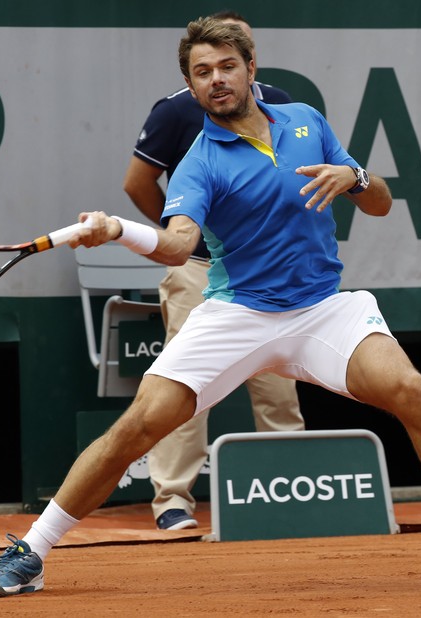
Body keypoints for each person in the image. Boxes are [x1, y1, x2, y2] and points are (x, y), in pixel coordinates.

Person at [0, 17, 421, 597]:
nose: (217, 80)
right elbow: (178, 245)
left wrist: (352, 175)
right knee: (137, 427)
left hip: (323, 309)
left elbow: (379, 202)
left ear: (252, 69)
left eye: (227, 67)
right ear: (191, 86)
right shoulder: (200, 161)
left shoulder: (306, 120)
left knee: (410, 390)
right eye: (202, 73)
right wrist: (119, 227)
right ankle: (31, 551)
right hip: (237, 314)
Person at [123, 9, 304, 532]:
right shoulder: (177, 111)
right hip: (197, 272)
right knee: (185, 389)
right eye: (209, 65)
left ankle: (297, 495)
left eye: (234, 55)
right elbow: (137, 181)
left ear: (250, 59)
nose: (221, 74)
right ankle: (173, 502)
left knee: (278, 391)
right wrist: (181, 233)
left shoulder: (288, 108)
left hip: (269, 278)